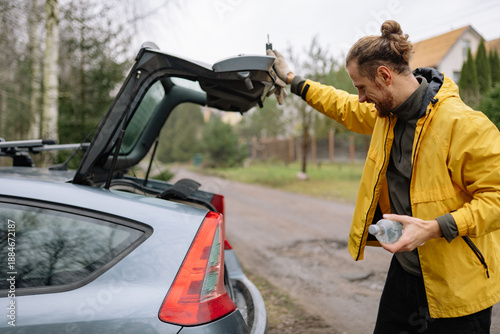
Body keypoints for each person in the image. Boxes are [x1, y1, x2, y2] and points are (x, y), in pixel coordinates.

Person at [267, 20, 500, 333]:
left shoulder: (466, 126)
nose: (361, 98)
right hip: (406, 273)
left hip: (458, 283)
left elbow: (496, 199)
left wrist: (434, 228)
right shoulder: (386, 116)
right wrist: (292, 79)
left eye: (362, 88)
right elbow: (341, 105)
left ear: (385, 76)